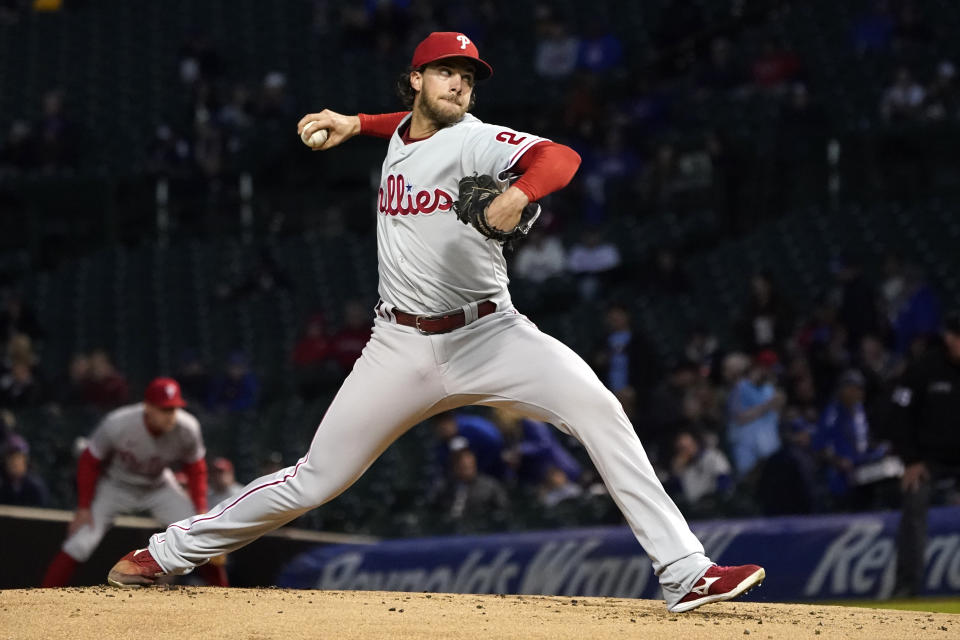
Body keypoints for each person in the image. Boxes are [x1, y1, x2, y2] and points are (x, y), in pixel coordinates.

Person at [107, 32, 763, 612]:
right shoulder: (401, 131)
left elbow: (561, 157)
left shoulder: (476, 139)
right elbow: (405, 127)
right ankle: (168, 554)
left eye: (469, 75)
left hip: (491, 335)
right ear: (417, 80)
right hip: (399, 345)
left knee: (599, 410)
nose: (460, 82)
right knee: (316, 479)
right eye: (447, 70)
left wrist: (517, 193)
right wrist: (354, 121)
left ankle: (685, 572)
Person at [41, 378, 227, 587]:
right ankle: (44, 594)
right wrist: (84, 507)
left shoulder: (187, 427)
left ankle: (224, 593)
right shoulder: (119, 423)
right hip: (117, 485)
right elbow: (89, 461)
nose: (171, 416)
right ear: (147, 407)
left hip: (158, 486)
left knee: (198, 534)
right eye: (164, 409)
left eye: (174, 408)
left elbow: (196, 468)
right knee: (81, 541)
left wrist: (200, 509)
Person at [887, 311, 960, 597]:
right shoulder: (924, 368)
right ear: (949, 339)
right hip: (927, 461)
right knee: (914, 503)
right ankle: (906, 586)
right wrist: (911, 460)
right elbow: (899, 415)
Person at [0, 434, 48, 507]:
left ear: (26, 461)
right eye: (10, 458)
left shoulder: (35, 487)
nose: (14, 462)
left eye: (18, 458)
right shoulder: (2, 485)